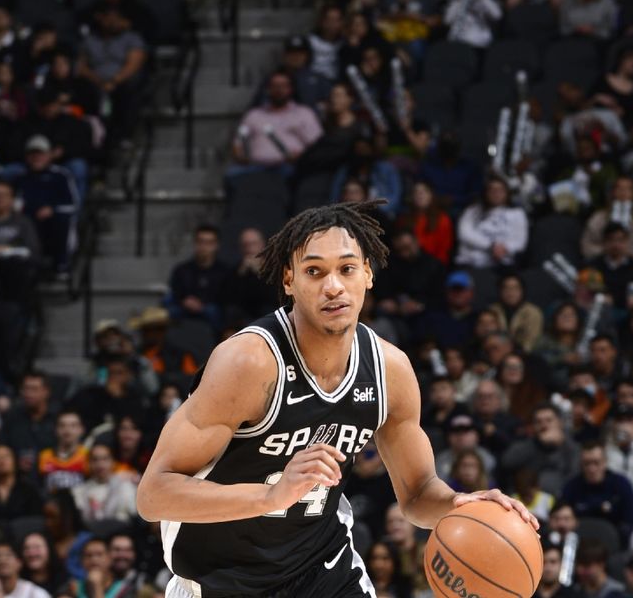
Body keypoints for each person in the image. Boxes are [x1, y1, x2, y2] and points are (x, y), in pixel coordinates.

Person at [136, 201, 537, 597]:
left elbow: (416, 495)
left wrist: (459, 505)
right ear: (289, 280)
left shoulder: (389, 371)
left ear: (367, 274)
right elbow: (153, 496)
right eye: (314, 271)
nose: (333, 286)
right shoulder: (248, 363)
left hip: (324, 573)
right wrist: (271, 496)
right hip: (220, 579)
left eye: (346, 269)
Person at [76, 4, 147, 145]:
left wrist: (114, 82)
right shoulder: (90, 40)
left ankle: (124, 135)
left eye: (116, 18)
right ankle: (95, 137)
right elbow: (81, 67)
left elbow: (134, 64)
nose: (113, 22)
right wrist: (99, 82)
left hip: (121, 82)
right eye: (108, 18)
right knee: (82, 90)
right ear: (100, 19)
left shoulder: (131, 38)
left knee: (129, 90)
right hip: (96, 83)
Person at [231, 71, 323, 173]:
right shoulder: (253, 115)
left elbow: (317, 146)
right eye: (275, 86)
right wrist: (241, 156)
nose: (279, 90)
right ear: (268, 90)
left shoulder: (304, 113)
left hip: (290, 167)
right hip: (255, 167)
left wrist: (301, 156)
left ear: (291, 89)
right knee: (233, 173)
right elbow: (238, 143)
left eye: (283, 86)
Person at [17, 134, 79, 274]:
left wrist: (52, 209)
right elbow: (16, 202)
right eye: (33, 154)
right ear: (27, 157)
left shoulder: (61, 175)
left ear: (49, 155)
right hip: (29, 218)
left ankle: (61, 263)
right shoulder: (21, 177)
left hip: (55, 219)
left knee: (62, 221)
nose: (37, 158)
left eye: (41, 154)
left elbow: (72, 204)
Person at [561, 440, 633, 542]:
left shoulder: (621, 484)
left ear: (605, 462)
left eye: (596, 463)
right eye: (587, 463)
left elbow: (632, 520)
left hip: (615, 544)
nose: (592, 468)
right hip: (579, 543)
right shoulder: (571, 487)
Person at [502, 403, 580, 497]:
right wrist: (540, 446)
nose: (544, 425)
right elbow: (507, 462)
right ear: (533, 426)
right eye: (538, 421)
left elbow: (574, 475)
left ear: (560, 422)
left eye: (549, 420)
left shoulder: (571, 448)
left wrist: (560, 443)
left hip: (561, 501)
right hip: (527, 501)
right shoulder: (526, 446)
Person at [165, 225, 230, 331]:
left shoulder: (224, 271)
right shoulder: (182, 269)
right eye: (201, 242)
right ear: (195, 243)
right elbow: (176, 291)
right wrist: (184, 300)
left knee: (213, 311)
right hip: (184, 307)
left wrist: (202, 303)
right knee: (170, 307)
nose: (204, 247)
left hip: (210, 308)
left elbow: (225, 296)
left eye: (209, 243)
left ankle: (217, 343)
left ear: (216, 245)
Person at [455, 177, 528, 270]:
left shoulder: (517, 213)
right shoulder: (472, 211)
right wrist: (491, 246)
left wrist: (505, 248)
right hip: (470, 263)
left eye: (500, 190)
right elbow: (464, 234)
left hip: (501, 264)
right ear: (485, 193)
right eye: (492, 190)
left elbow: (520, 242)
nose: (496, 194)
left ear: (507, 193)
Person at [0, 371, 58, 477]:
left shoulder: (58, 419)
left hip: (51, 476)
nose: (28, 394)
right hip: (17, 477)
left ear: (46, 392)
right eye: (26, 389)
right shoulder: (12, 418)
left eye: (34, 389)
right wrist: (15, 462)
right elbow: (1, 447)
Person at [71, 443, 137, 524]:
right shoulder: (80, 491)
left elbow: (135, 515)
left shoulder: (126, 486)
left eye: (105, 459)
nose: (100, 464)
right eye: (95, 459)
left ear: (113, 462)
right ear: (88, 463)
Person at [0, 444, 41, 523]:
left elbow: (35, 521)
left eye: (6, 456)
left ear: (15, 461)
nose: (1, 461)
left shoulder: (29, 491)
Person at [488, 274, 544, 352]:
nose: (510, 292)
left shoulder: (533, 312)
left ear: (522, 291)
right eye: (506, 288)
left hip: (524, 354)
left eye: (515, 288)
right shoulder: (492, 310)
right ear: (500, 291)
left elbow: (531, 342)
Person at [38, 410, 89, 493]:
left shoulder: (88, 456)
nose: (67, 430)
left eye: (73, 426)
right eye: (62, 425)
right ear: (56, 429)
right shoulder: (44, 456)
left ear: (81, 429)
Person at [20, 532, 68, 597]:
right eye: (27, 548)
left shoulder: (65, 580)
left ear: (49, 550)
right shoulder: (18, 582)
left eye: (37, 547)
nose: (32, 553)